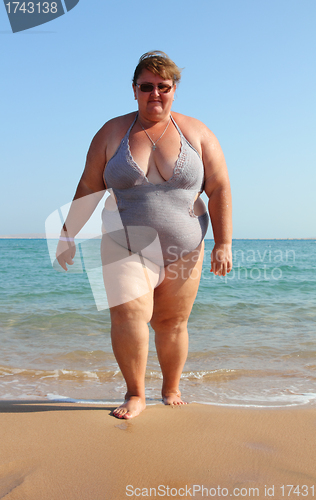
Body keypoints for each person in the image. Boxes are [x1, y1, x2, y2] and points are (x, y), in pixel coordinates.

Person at [56, 51, 232, 419]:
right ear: (134, 90)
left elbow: (219, 188)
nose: (155, 94)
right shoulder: (111, 133)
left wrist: (224, 243)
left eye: (163, 87)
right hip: (125, 244)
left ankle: (171, 388)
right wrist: (68, 233)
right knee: (129, 317)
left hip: (185, 248)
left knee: (171, 324)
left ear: (174, 90)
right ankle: (135, 394)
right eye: (147, 87)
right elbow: (89, 185)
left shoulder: (197, 132)